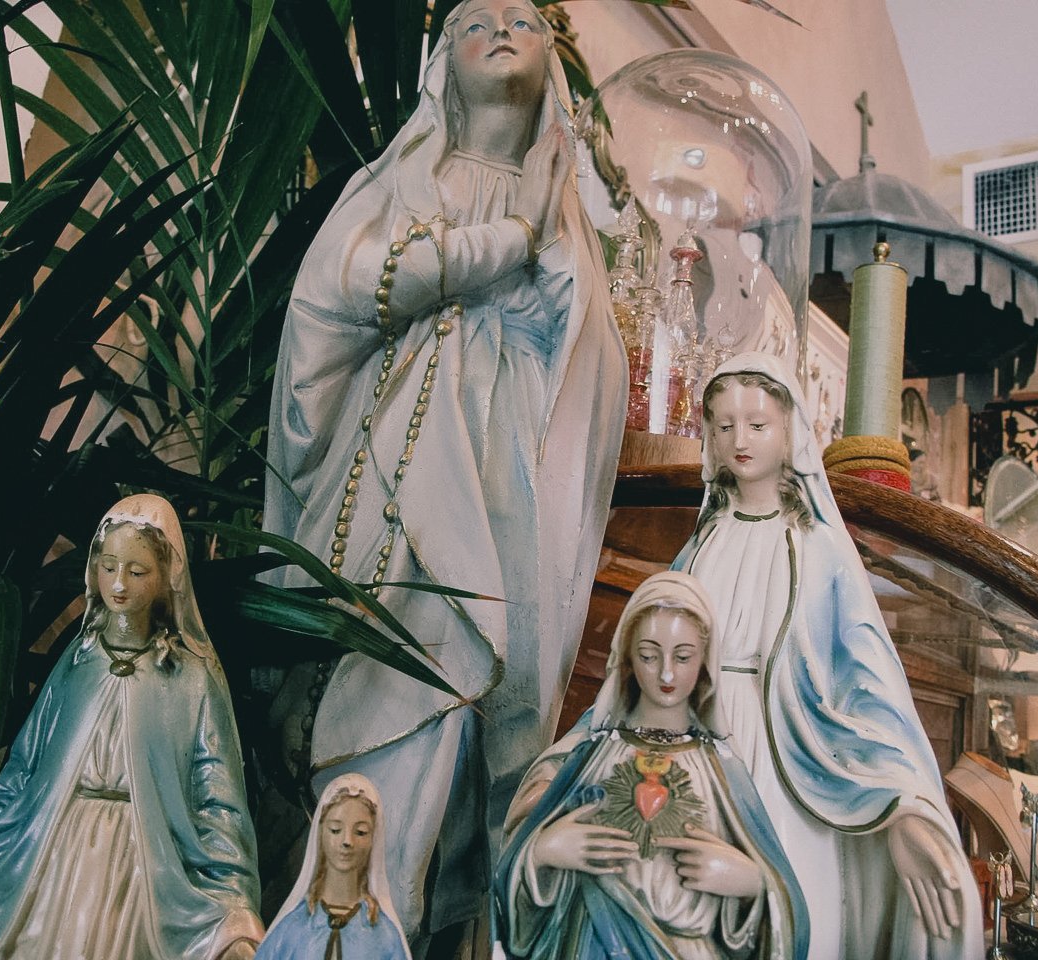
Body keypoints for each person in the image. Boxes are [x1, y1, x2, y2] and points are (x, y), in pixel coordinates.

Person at [262, 0, 626, 940]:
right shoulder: (405, 181)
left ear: (553, 64)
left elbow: (588, 368)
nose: (503, 27)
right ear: (440, 67)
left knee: (479, 692)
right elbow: (333, 294)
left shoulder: (565, 214)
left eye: (525, 19)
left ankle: (428, 918)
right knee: (393, 673)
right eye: (477, 20)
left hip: (503, 484)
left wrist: (550, 278)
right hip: (395, 476)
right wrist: (497, 247)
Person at [672, 352, 982, 959]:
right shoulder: (702, 540)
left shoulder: (817, 549)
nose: (739, 440)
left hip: (791, 757)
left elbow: (866, 682)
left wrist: (901, 805)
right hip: (700, 747)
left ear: (790, 434)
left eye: (757, 425)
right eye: (724, 424)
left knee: (786, 918)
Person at [0, 495, 263, 960]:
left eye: (137, 571)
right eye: (109, 566)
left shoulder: (191, 677)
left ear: (168, 577)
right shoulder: (78, 663)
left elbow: (218, 801)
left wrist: (231, 901)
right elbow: (22, 774)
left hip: (147, 866)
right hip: (51, 847)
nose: (119, 584)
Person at [494, 571, 808, 960]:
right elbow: (509, 876)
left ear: (706, 661)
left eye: (683, 656)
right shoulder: (591, 757)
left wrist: (752, 883)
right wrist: (543, 851)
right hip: (590, 941)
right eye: (648, 655)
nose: (666, 674)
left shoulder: (722, 771)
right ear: (627, 655)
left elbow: (787, 903)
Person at [257, 774, 410, 960]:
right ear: (320, 833)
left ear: (374, 839)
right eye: (336, 830)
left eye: (360, 832)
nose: (347, 841)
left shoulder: (384, 936)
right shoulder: (293, 928)